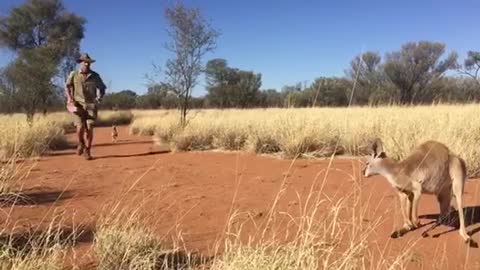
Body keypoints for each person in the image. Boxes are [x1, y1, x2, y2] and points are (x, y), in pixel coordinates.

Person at [65, 53, 107, 160]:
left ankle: (88, 150)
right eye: (84, 62)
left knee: (90, 128)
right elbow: (67, 86)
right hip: (77, 104)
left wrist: (99, 97)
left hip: (91, 105)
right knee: (80, 127)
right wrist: (69, 98)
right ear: (81, 63)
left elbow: (102, 88)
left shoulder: (95, 76)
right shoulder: (74, 74)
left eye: (88, 62)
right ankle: (81, 143)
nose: (87, 64)